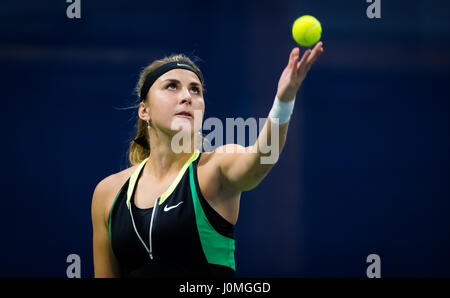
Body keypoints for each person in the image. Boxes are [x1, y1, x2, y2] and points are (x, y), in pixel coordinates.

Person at [91, 43, 324, 278]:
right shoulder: (108, 193)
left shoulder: (212, 169)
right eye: (172, 86)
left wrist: (283, 102)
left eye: (195, 90)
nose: (186, 97)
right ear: (144, 110)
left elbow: (261, 158)